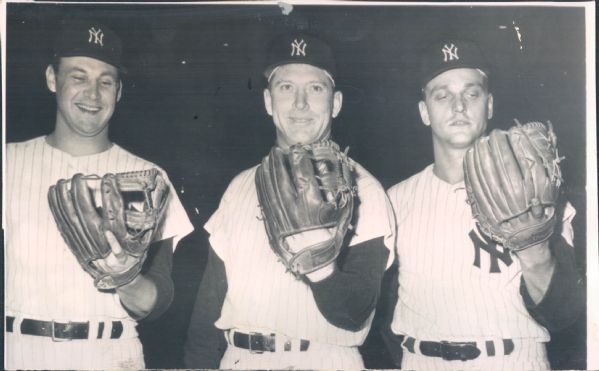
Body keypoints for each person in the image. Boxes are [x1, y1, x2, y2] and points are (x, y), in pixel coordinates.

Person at [184, 33, 396, 370]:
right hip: (239, 359)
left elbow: (354, 315)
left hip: (324, 360)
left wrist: (318, 259)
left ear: (336, 103)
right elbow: (206, 315)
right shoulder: (240, 186)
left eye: (315, 88)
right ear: (268, 101)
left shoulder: (364, 190)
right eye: (286, 88)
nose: (300, 104)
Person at [5, 20, 194, 370]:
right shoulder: (8, 163)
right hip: (17, 349)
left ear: (119, 92)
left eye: (105, 81)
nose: (92, 94)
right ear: (52, 78)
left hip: (110, 354)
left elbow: (159, 299)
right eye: (78, 77)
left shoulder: (149, 178)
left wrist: (126, 277)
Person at [385, 39, 584, 369]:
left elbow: (565, 313)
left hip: (513, 360)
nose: (459, 106)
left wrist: (534, 248)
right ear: (424, 111)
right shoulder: (394, 200)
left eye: (472, 93)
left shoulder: (542, 189)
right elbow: (374, 311)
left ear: (489, 106)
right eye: (442, 95)